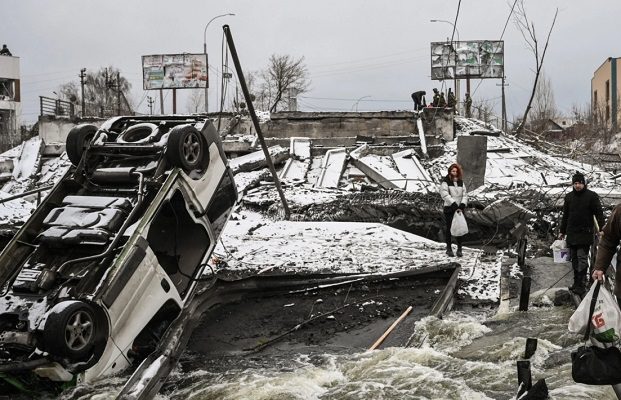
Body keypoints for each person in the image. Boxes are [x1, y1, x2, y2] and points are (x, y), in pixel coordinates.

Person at [560, 172, 604, 295]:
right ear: (573, 184)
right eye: (575, 183)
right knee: (574, 259)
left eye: (579, 183)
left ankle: (582, 284)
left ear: (584, 184)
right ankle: (576, 283)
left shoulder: (591, 196)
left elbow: (599, 213)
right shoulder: (568, 197)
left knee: (582, 259)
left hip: (585, 233)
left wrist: (601, 229)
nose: (577, 185)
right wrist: (562, 231)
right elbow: (565, 216)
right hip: (572, 232)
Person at [440, 163, 468, 257]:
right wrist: (453, 203)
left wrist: (463, 204)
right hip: (449, 208)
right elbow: (444, 194)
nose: (454, 173)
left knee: (459, 228)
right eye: (453, 171)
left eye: (456, 171)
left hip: (459, 209)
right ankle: (449, 249)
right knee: (449, 229)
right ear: (450, 171)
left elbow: (465, 194)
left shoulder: (461, 182)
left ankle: (459, 249)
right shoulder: (445, 182)